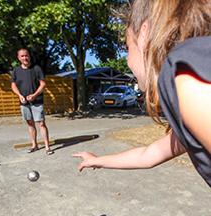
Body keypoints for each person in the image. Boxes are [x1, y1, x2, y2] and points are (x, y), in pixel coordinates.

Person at [73, 0, 211, 187]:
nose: (128, 60)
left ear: (144, 35)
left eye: (127, 47)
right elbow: (149, 154)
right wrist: (98, 160)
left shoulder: (181, 69)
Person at [11, 48, 54, 155]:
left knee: (41, 123)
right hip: (24, 102)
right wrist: (19, 95)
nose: (25, 58)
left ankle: (47, 147)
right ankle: (34, 145)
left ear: (29, 56)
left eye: (26, 55)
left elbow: (43, 84)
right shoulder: (16, 70)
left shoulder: (36, 68)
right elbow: (13, 85)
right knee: (30, 124)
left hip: (37, 101)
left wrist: (34, 95)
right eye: (22, 56)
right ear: (18, 58)